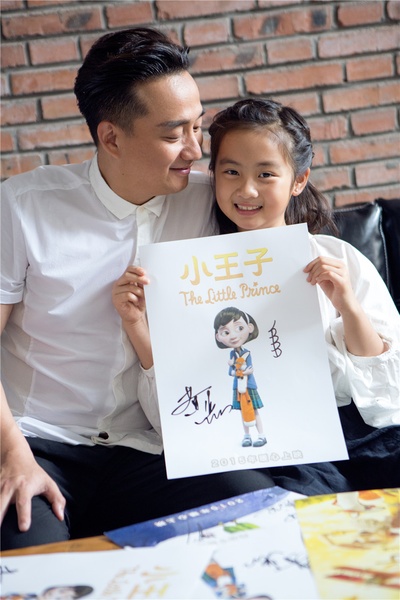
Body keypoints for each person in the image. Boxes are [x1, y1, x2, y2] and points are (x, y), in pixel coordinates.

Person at [0, 28, 276, 551]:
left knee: (262, 513)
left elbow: (283, 231)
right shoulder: (22, 206)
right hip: (38, 443)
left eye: (198, 127)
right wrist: (12, 456)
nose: (196, 149)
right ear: (111, 138)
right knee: (32, 560)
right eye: (174, 135)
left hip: (149, 446)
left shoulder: (213, 198)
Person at [207, 97, 400, 492]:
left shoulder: (337, 257)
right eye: (231, 171)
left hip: (364, 426)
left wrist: (347, 304)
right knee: (306, 500)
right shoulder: (199, 276)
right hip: (282, 436)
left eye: (265, 174)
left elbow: (387, 386)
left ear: (298, 180)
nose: (246, 189)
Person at [214, 307, 266, 447]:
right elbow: (231, 372)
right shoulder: (232, 354)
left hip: (249, 386)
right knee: (243, 412)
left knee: (254, 410)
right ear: (218, 336)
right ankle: (247, 436)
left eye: (239, 328)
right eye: (226, 332)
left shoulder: (246, 353)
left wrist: (240, 371)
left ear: (249, 328)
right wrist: (234, 367)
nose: (233, 336)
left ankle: (261, 436)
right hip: (238, 387)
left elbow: (250, 369)